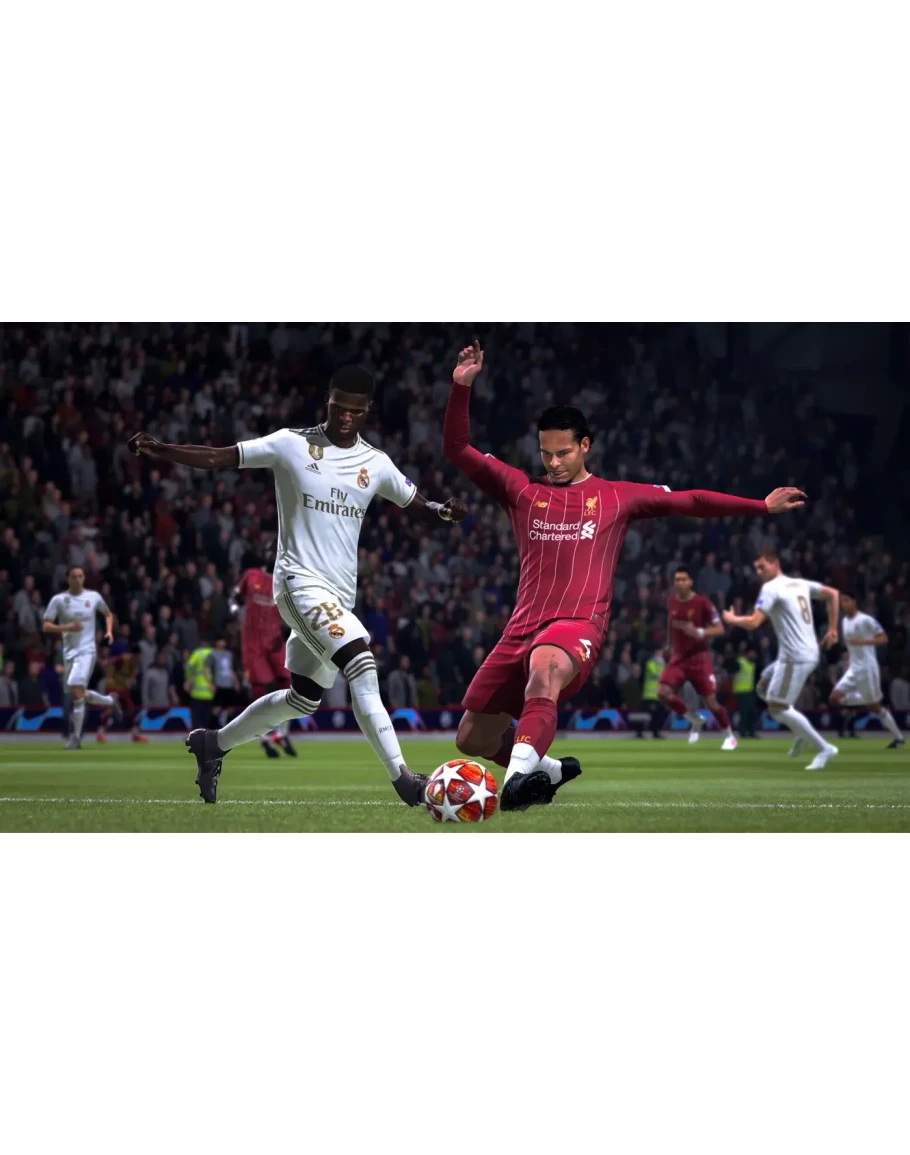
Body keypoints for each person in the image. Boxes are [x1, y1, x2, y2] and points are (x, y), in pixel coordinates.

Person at [443, 341, 809, 811]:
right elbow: (457, 448)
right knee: (471, 737)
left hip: (577, 624)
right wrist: (461, 387)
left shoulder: (617, 497)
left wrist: (759, 506)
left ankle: (515, 782)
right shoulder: (521, 490)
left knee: (545, 667)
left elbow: (692, 501)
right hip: (521, 627)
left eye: (563, 453)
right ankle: (550, 770)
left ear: (585, 446)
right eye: (546, 454)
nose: (553, 463)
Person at [129, 365, 466, 805]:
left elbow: (414, 501)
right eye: (338, 407)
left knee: (303, 699)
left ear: (367, 411)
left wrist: (442, 511)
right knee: (361, 662)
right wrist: (162, 449)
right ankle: (403, 778)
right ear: (328, 401)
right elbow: (220, 457)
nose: (345, 417)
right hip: (298, 584)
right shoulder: (291, 444)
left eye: (355, 411)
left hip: (339, 596)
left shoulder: (376, 463)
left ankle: (213, 744)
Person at [722, 548, 840, 770]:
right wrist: (833, 629)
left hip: (796, 657)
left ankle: (824, 748)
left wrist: (732, 619)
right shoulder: (799, 583)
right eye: (756, 568)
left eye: (762, 567)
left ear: (775, 564)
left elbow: (754, 622)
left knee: (777, 708)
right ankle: (801, 732)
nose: (758, 572)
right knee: (762, 687)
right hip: (798, 654)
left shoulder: (771, 588)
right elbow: (833, 594)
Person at [42, 566, 122, 749]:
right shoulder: (59, 600)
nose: (77, 579)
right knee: (77, 694)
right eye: (74, 576)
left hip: (87, 651)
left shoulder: (93, 597)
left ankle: (76, 738)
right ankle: (110, 700)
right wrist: (67, 628)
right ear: (68, 579)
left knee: (77, 691)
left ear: (84, 578)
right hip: (69, 653)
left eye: (80, 576)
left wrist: (109, 631)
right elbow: (46, 626)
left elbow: (108, 613)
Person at [658, 567, 737, 749]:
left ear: (691, 582)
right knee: (662, 693)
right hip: (679, 658)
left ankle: (729, 736)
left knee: (711, 703)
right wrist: (669, 644)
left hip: (699, 658)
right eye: (677, 580)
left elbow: (719, 629)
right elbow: (671, 622)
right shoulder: (672, 601)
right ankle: (695, 719)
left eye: (683, 579)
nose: (680, 583)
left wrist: (699, 632)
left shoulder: (703, 603)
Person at [232, 558, 295, 758]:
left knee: (289, 686)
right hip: (253, 644)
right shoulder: (251, 576)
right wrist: (234, 613)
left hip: (274, 641)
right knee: (261, 692)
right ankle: (265, 739)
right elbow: (234, 598)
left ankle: (282, 734)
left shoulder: (284, 580)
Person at [830, 592, 904, 749]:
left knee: (875, 707)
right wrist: (849, 662)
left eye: (847, 601)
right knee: (834, 698)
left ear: (854, 602)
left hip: (867, 668)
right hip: (853, 669)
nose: (844, 604)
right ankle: (866, 700)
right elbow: (850, 647)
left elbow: (883, 638)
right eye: (842, 602)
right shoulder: (844, 621)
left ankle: (899, 737)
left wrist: (863, 641)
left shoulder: (866, 620)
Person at [184, 640, 216, 732]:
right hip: (210, 692)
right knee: (207, 717)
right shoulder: (214, 653)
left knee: (196, 717)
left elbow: (188, 666)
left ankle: (195, 735)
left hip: (197, 692)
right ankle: (207, 735)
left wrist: (189, 679)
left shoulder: (197, 653)